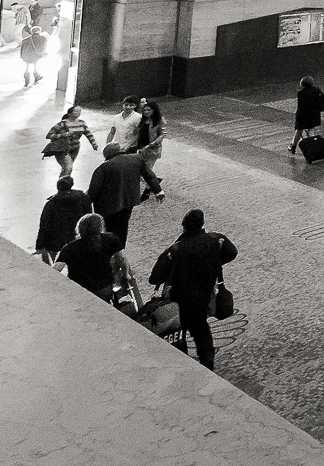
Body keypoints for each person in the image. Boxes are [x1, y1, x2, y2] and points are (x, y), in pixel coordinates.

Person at [149, 209, 237, 371]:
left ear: (184, 227)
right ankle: (208, 364)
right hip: (206, 294)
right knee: (201, 329)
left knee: (178, 330)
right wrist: (213, 264)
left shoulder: (176, 249)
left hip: (181, 298)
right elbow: (232, 252)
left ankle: (183, 363)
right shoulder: (215, 239)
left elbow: (155, 277)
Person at [87, 141, 164, 248]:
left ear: (107, 154)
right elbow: (149, 175)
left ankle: (113, 252)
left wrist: (85, 208)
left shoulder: (103, 168)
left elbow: (93, 191)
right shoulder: (136, 159)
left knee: (111, 230)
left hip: (109, 207)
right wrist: (158, 191)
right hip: (129, 201)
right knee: (123, 225)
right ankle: (121, 247)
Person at [56, 212, 123, 302]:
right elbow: (122, 259)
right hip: (105, 286)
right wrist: (126, 275)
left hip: (80, 289)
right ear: (100, 227)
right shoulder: (110, 238)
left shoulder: (69, 248)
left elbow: (56, 269)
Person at [35, 176, 93, 264]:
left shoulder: (51, 204)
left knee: (56, 263)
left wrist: (40, 245)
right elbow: (89, 218)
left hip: (55, 241)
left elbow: (44, 225)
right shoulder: (83, 198)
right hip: (77, 238)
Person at [42, 106, 99, 180]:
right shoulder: (62, 124)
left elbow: (89, 134)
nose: (78, 113)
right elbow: (49, 135)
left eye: (79, 111)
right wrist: (64, 135)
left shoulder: (82, 123)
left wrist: (94, 144)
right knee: (68, 168)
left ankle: (64, 185)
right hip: (62, 149)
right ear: (70, 113)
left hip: (75, 148)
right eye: (76, 111)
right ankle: (62, 186)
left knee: (68, 168)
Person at [291, 76, 324, 154]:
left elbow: (301, 107)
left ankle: (293, 147)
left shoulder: (301, 93)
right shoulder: (317, 90)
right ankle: (315, 148)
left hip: (303, 116)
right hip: (314, 116)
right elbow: (323, 100)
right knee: (311, 131)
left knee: (299, 131)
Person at [136, 98, 166, 172]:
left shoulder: (160, 120)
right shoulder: (141, 120)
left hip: (152, 149)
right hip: (141, 148)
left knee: (148, 169)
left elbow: (162, 135)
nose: (146, 112)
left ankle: (151, 182)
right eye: (145, 110)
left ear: (154, 110)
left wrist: (150, 145)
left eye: (149, 110)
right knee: (141, 167)